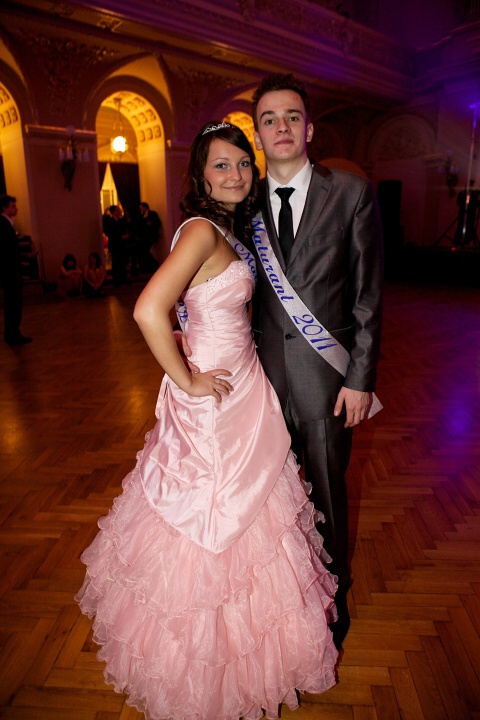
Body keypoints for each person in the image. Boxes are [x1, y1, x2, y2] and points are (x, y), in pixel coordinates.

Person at [75, 121, 338, 720]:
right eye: (221, 164)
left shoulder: (224, 228)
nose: (236, 174)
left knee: (250, 514)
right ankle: (203, 666)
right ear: (200, 175)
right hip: (217, 397)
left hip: (241, 385)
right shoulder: (201, 230)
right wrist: (188, 379)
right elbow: (148, 309)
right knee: (215, 517)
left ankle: (240, 656)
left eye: (243, 163)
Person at [251, 73, 384, 650]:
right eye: (269, 119)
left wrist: (360, 379)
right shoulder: (242, 199)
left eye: (291, 116)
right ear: (258, 134)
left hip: (327, 381)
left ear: (308, 129)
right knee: (268, 496)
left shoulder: (350, 194)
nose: (281, 126)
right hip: (258, 383)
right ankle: (283, 598)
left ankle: (334, 595)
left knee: (326, 492)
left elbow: (368, 296)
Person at [0, 194, 32, 345]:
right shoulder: (3, 225)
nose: (16, 209)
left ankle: (11, 332)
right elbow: (6, 251)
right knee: (13, 303)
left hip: (11, 271)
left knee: (12, 303)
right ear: (4, 208)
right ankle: (13, 333)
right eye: (12, 206)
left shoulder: (6, 224)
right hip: (10, 273)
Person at [106, 205, 129, 286]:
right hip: (115, 245)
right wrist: (120, 237)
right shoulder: (109, 221)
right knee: (116, 263)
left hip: (122, 245)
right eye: (117, 210)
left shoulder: (121, 221)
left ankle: (124, 278)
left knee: (123, 262)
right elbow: (109, 233)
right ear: (113, 212)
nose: (119, 211)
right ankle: (116, 280)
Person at [138, 201, 161, 272]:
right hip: (144, 237)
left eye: (141, 207)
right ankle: (149, 266)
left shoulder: (152, 214)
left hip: (151, 236)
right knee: (144, 251)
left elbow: (158, 223)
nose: (140, 209)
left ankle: (154, 264)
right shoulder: (141, 216)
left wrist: (151, 224)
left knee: (145, 251)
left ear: (145, 207)